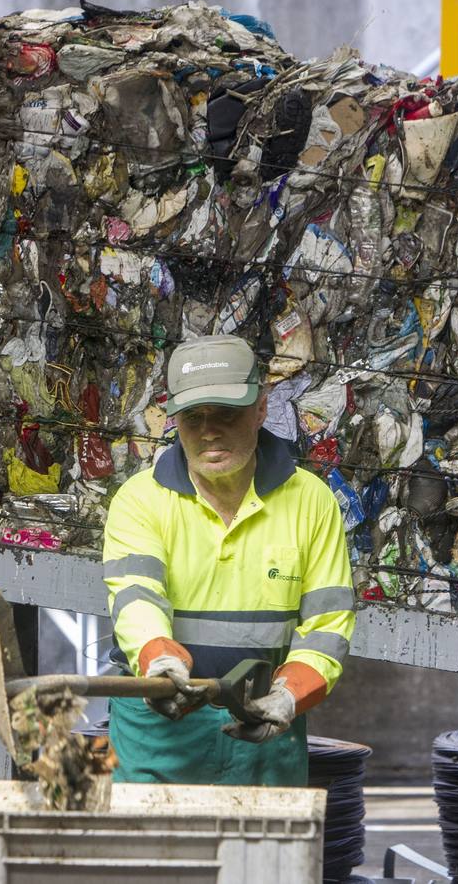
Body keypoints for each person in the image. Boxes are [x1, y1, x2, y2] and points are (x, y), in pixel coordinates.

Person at [103, 334, 355, 786]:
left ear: (262, 407)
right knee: (145, 855)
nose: (208, 430)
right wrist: (157, 659)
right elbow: (136, 599)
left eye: (226, 413)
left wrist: (289, 695)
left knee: (266, 857)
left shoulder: (311, 502)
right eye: (193, 416)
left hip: (263, 726)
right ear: (174, 418)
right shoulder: (139, 501)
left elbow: (328, 626)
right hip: (160, 731)